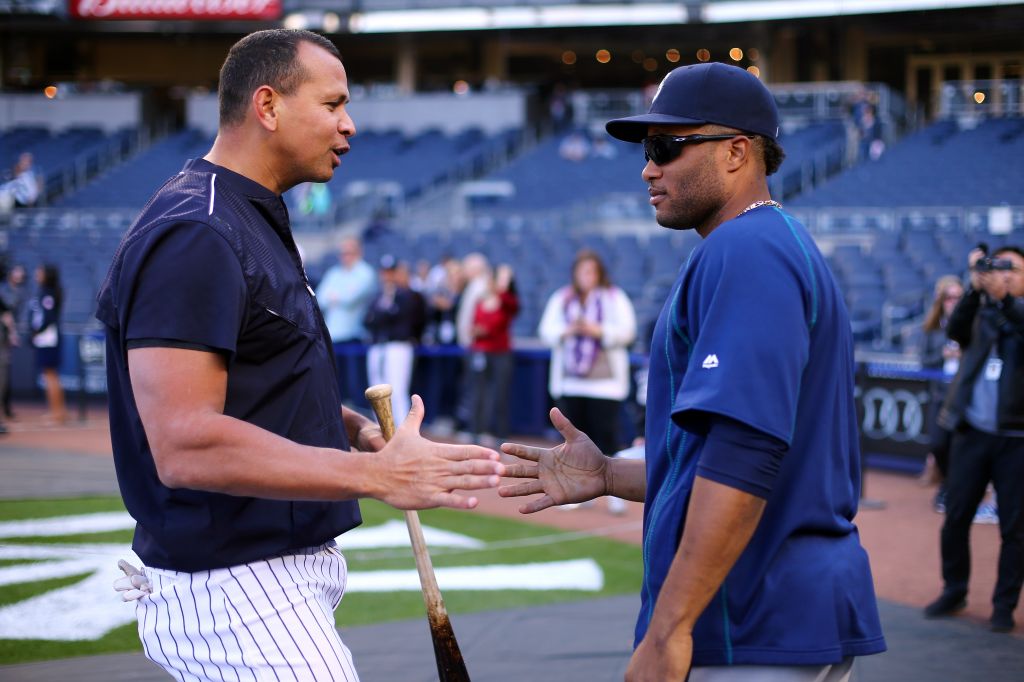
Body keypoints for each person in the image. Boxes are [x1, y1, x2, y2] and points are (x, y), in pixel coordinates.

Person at [95, 29, 504, 682]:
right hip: (234, 588)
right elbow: (183, 442)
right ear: (268, 105)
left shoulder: (246, 216)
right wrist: (378, 478)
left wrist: (356, 432)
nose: (350, 125)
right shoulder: (198, 231)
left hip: (262, 577)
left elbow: (263, 384)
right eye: (334, 104)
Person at [500, 62, 886, 680]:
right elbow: (728, 454)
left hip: (754, 617)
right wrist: (608, 474)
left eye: (667, 147)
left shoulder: (749, 249)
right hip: (780, 612)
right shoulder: (764, 243)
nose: (648, 167)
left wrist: (668, 628)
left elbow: (748, 450)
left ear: (737, 152)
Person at [926, 245, 1024, 633]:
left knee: (1014, 529)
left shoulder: (1014, 311)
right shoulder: (981, 310)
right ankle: (955, 590)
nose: (1002, 275)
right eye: (996, 268)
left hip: (1016, 437)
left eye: (1011, 269)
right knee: (955, 517)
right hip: (971, 431)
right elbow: (953, 330)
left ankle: (1004, 605)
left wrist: (1003, 300)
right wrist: (973, 287)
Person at [538, 249, 636, 457]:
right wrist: (568, 330)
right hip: (570, 383)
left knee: (605, 440)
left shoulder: (614, 297)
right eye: (583, 271)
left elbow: (628, 331)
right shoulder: (562, 297)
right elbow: (546, 331)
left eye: (591, 271)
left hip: (605, 386)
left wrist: (598, 330)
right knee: (573, 442)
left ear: (600, 273)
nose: (587, 276)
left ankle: (610, 486)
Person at [918, 275, 963, 509]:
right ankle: (946, 483)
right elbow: (923, 361)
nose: (953, 302)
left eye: (957, 297)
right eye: (948, 297)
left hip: (964, 397)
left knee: (959, 448)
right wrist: (942, 355)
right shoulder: (932, 329)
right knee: (938, 444)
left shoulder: (971, 325)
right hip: (939, 395)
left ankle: (950, 491)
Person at [316, 236, 377, 406]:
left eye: (349, 252)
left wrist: (335, 296)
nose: (345, 256)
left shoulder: (366, 272)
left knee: (357, 384)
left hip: (354, 335)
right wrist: (338, 297)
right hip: (334, 336)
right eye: (343, 253)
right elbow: (320, 298)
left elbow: (351, 298)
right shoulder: (334, 273)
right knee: (337, 383)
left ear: (358, 253)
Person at [364, 255, 424, 425]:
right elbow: (368, 320)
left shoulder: (407, 294)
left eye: (391, 272)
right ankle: (381, 429)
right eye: (385, 272)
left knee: (397, 390)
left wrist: (387, 310)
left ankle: (403, 430)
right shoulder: (378, 295)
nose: (388, 276)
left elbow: (407, 318)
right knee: (376, 389)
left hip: (398, 345)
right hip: (379, 345)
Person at [468, 264, 519, 445]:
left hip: (500, 353)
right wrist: (477, 331)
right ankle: (477, 430)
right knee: (478, 393)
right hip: (481, 352)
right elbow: (474, 324)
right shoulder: (480, 302)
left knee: (500, 394)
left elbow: (513, 308)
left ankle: (500, 433)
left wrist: (504, 286)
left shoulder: (506, 301)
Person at [29, 264, 66, 425]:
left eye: (40, 271)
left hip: (48, 340)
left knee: (50, 375)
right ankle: (58, 411)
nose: (37, 273)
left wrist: (37, 331)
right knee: (51, 375)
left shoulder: (48, 293)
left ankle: (57, 413)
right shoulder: (46, 292)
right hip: (47, 339)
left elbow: (49, 317)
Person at [0, 264, 27, 418]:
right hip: (3, 334)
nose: (19, 275)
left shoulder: (20, 292)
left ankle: (6, 407)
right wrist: (12, 333)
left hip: (5, 335)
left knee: (5, 373)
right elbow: (6, 314)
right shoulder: (4, 289)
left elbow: (10, 313)